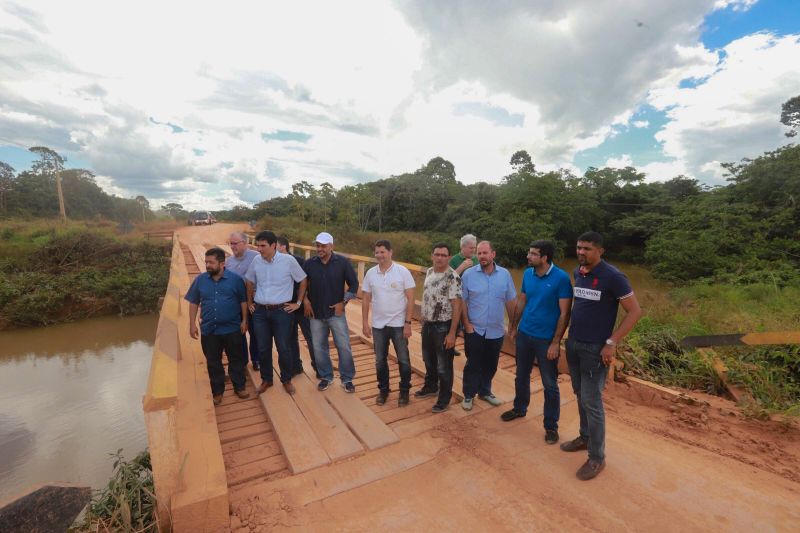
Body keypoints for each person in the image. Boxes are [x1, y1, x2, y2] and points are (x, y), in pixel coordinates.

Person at [560, 231, 642, 481]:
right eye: (579, 247)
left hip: (596, 349)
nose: (581, 252)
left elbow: (635, 312)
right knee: (579, 394)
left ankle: (597, 457)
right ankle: (585, 438)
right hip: (574, 344)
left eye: (587, 248)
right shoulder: (579, 273)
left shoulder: (614, 277)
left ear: (600, 251)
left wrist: (611, 342)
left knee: (592, 401)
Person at [504, 240, 573, 445]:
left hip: (546, 340)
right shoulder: (528, 274)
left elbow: (564, 313)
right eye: (529, 252)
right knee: (521, 375)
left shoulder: (561, 278)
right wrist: (514, 326)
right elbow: (522, 300)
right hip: (526, 334)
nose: (528, 256)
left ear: (544, 257)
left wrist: (555, 343)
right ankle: (519, 408)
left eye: (533, 254)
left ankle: (551, 426)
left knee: (550, 383)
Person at [245, 230, 307, 395]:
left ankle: (286, 379)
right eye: (257, 245)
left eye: (263, 246)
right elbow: (249, 280)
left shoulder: (288, 261)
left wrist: (298, 303)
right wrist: (250, 302)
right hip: (260, 312)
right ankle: (267, 380)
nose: (259, 249)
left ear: (273, 245)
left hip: (282, 311)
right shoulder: (256, 261)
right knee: (263, 348)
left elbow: (302, 279)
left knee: (283, 347)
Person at [185, 247, 249, 406]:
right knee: (213, 362)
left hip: (232, 328)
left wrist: (245, 321)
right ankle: (218, 392)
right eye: (206, 262)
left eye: (211, 262)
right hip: (209, 330)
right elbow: (194, 302)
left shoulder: (235, 280)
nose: (207, 265)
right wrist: (192, 324)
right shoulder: (200, 280)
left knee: (236, 359)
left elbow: (243, 301)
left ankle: (239, 387)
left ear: (222, 263)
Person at [460, 241, 516, 410]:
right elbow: (461, 302)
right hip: (474, 329)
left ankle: (485, 391)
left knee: (491, 363)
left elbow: (511, 301)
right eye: (479, 253)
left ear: (493, 254)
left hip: (496, 330)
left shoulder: (505, 275)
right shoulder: (468, 275)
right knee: (473, 363)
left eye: (485, 253)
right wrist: (466, 325)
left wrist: (513, 326)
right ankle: (469, 395)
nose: (482, 256)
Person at [361, 239, 416, 407]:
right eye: (377, 252)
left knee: (404, 360)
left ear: (390, 252)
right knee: (380, 360)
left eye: (383, 252)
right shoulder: (371, 273)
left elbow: (411, 298)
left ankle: (404, 391)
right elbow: (366, 299)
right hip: (378, 326)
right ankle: (383, 390)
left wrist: (408, 323)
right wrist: (364, 322)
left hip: (399, 324)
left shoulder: (402, 272)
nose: (379, 255)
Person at [303, 232, 359, 393]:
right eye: (317, 245)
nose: (319, 249)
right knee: (319, 347)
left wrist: (344, 301)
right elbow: (302, 284)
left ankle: (347, 378)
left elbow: (354, 285)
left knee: (343, 346)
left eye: (323, 246)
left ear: (331, 246)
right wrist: (305, 301)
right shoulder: (309, 263)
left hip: (336, 314)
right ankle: (326, 376)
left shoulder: (342, 263)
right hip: (315, 313)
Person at [415, 242, 462, 413]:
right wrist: (423, 314)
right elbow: (427, 295)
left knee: (444, 365)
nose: (440, 257)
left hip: (443, 326)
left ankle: (444, 398)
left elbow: (457, 306)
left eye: (443, 255)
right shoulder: (429, 271)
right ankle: (430, 387)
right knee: (428, 359)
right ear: (432, 255)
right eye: (437, 254)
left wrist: (452, 334)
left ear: (449, 257)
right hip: (428, 324)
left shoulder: (453, 277)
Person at [276, 235, 319, 379]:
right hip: (286, 307)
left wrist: (305, 299)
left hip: (301, 307)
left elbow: (308, 281)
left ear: (283, 246)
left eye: (275, 246)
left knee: (310, 337)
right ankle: (296, 366)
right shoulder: (275, 263)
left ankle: (319, 368)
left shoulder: (299, 261)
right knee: (291, 338)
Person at [225, 231, 260, 370]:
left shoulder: (256, 257)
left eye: (235, 243)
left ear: (245, 243)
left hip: (254, 302)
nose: (232, 246)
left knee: (255, 332)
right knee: (239, 333)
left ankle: (256, 360)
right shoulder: (229, 262)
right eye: (231, 243)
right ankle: (243, 361)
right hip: (236, 304)